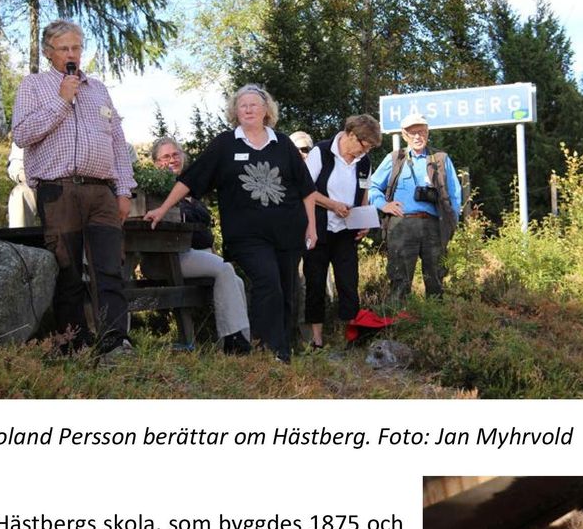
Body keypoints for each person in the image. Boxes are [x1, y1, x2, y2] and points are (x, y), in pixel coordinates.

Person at [145, 84, 317, 362]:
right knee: (267, 282)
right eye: (242, 105)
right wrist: (163, 208)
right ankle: (269, 350)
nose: (248, 109)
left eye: (254, 104)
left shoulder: (282, 143)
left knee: (287, 289)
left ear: (266, 110)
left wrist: (312, 227)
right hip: (247, 236)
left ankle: (283, 349)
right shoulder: (225, 144)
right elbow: (191, 179)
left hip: (288, 231)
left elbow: (306, 190)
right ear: (235, 112)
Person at [11, 19, 135, 359]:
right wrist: (62, 101)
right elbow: (22, 134)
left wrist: (124, 190)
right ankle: (72, 344)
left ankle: (114, 342)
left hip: (101, 192)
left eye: (76, 48)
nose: (71, 54)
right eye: (64, 48)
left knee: (109, 268)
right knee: (67, 270)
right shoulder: (33, 86)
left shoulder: (98, 89)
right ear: (49, 52)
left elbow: (117, 142)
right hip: (58, 190)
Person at [149, 136, 251, 354]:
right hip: (171, 257)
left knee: (237, 281)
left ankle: (242, 339)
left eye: (176, 154)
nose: (172, 160)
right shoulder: (156, 191)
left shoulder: (189, 191)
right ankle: (233, 340)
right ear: (156, 162)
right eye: (165, 156)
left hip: (198, 255)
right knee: (225, 268)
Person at [303, 114, 382, 351]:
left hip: (347, 231)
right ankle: (316, 338)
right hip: (317, 227)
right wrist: (333, 205)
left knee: (349, 282)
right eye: (362, 146)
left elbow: (364, 194)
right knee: (315, 281)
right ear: (350, 135)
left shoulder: (364, 162)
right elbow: (305, 190)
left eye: (368, 149)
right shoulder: (321, 152)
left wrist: (365, 219)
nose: (363, 152)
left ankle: (351, 334)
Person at [369, 113, 462, 301]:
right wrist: (384, 205)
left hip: (434, 225)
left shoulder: (441, 159)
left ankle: (434, 324)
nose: (418, 137)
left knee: (436, 278)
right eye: (413, 133)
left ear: (428, 133)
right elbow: (372, 187)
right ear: (404, 135)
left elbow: (454, 194)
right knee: (399, 280)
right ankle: (400, 323)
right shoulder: (395, 158)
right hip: (402, 225)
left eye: (422, 132)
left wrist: (452, 224)